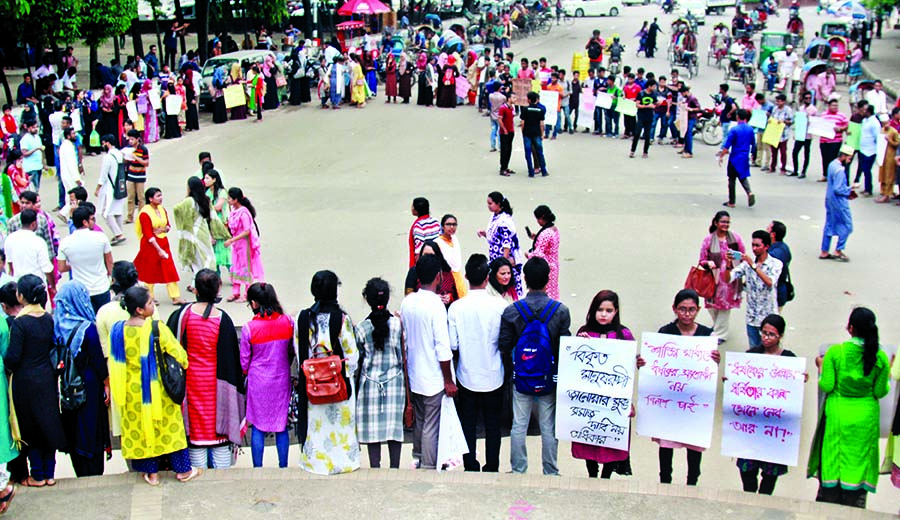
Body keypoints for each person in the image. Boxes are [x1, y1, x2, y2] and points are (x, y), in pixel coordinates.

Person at [109, 285, 197, 485]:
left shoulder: (117, 331)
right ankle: (183, 471)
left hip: (131, 393)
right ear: (139, 310)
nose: (152, 305)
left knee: (142, 430)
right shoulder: (156, 328)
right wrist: (182, 364)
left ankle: (152, 473)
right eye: (149, 303)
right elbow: (179, 355)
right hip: (158, 391)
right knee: (170, 429)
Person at [808, 307, 889, 508]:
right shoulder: (880, 357)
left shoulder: (836, 352)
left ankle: (831, 490)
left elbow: (827, 385)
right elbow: (880, 392)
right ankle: (855, 495)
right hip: (865, 417)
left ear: (850, 328)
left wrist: (820, 366)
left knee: (835, 455)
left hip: (837, 414)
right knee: (859, 458)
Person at [498, 257, 570, 475]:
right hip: (548, 377)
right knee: (548, 425)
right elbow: (563, 346)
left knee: (519, 424)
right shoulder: (560, 311)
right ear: (548, 280)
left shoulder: (512, 310)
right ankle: (550, 470)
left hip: (521, 377)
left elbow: (503, 344)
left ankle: (519, 468)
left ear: (525, 279)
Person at [296, 271, 359, 475]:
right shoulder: (342, 319)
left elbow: (299, 351)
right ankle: (343, 461)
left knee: (317, 426)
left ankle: (316, 462)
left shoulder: (303, 317)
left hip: (312, 384)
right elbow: (352, 356)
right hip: (338, 384)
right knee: (341, 425)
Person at [654, 288, 719, 484]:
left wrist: (716, 360)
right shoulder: (665, 333)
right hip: (670, 401)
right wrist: (644, 363)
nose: (687, 314)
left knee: (694, 444)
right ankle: (665, 480)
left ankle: (692, 482)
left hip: (695, 402)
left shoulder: (707, 335)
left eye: (691, 310)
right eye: (682, 309)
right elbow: (655, 365)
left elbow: (710, 370)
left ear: (698, 310)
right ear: (674, 309)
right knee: (666, 444)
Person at [573, 290, 640, 478]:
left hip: (614, 400)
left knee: (610, 439)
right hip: (589, 400)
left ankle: (606, 475)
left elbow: (629, 367)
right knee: (590, 438)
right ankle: (592, 475)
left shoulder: (624, 335)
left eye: (608, 310)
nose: (603, 314)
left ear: (616, 311)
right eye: (600, 309)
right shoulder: (584, 332)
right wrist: (579, 345)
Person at [449, 254, 507, 472]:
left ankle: (470, 464)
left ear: (466, 277)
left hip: (467, 374)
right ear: (487, 278)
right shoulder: (500, 305)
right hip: (494, 373)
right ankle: (492, 465)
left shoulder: (456, 308)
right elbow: (505, 341)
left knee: (468, 423)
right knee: (493, 424)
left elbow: (453, 344)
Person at [5, 275, 65, 486]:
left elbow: (13, 356)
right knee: (48, 424)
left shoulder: (20, 323)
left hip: (25, 381)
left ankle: (37, 475)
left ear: (21, 296)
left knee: (30, 428)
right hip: (46, 379)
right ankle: (49, 474)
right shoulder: (48, 318)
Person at [400, 255, 457, 470]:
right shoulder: (435, 305)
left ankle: (418, 457)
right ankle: (428, 465)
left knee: (421, 420)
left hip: (414, 374)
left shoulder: (408, 302)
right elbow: (443, 347)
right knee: (432, 424)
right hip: (433, 376)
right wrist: (449, 380)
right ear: (438, 277)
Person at [737, 314, 802, 494]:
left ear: (780, 336)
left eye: (771, 334)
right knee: (747, 472)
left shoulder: (790, 360)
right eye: (764, 333)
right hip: (752, 426)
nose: (766, 337)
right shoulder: (750, 356)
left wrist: (801, 379)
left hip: (773, 428)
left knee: (769, 475)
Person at [53, 281, 110, 477]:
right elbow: (98, 362)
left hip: (67, 386)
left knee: (74, 427)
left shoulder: (55, 327)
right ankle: (93, 469)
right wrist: (107, 384)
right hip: (89, 385)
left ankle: (80, 469)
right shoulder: (88, 329)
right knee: (91, 426)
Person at [239, 282, 293, 469]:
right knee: (281, 425)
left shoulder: (249, 328)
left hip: (258, 381)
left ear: (254, 303)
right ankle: (283, 466)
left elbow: (244, 361)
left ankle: (258, 467)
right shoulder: (287, 322)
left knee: (258, 427)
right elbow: (291, 351)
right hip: (281, 378)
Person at [355, 278, 405, 469]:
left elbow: (357, 359)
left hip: (370, 385)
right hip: (394, 383)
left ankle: (375, 468)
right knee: (394, 427)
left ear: (367, 299)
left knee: (372, 429)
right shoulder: (397, 325)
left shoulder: (361, 328)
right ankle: (395, 468)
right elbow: (402, 355)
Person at [728, 230, 782, 348]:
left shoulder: (776, 264)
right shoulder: (746, 264)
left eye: (757, 245)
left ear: (766, 247)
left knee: (770, 351)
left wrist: (753, 265)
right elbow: (729, 278)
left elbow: (769, 282)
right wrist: (727, 264)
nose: (754, 248)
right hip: (752, 318)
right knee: (754, 351)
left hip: (769, 318)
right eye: (753, 245)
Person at [698, 211, 744, 343]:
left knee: (724, 307)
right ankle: (718, 327)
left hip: (729, 280)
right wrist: (708, 263)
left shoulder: (735, 238)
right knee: (712, 307)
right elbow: (702, 259)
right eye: (723, 222)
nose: (725, 225)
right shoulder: (708, 240)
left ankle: (720, 334)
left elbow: (742, 255)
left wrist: (732, 260)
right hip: (713, 279)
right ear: (716, 223)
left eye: (728, 222)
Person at [57, 206, 113, 312]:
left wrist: (74, 264)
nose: (94, 222)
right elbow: (109, 261)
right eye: (92, 219)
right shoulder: (101, 238)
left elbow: (61, 267)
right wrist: (111, 277)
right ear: (85, 222)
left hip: (80, 291)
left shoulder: (65, 242)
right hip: (101, 287)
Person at [133, 187, 183, 304]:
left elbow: (168, 225)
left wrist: (164, 229)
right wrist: (158, 249)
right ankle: (149, 297)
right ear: (150, 199)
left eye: (161, 195)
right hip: (150, 246)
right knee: (150, 271)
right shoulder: (145, 214)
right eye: (158, 196)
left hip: (163, 243)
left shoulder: (162, 209)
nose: (161, 198)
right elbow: (148, 235)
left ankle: (175, 296)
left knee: (169, 269)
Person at [478, 191, 524, 296]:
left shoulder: (504, 221)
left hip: (503, 260)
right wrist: (485, 234)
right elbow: (497, 237)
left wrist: (504, 262)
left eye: (490, 203)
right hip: (496, 259)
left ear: (498, 204)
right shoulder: (495, 217)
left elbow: (506, 243)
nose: (488, 206)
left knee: (507, 288)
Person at [173, 177, 218, 277]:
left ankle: (198, 283)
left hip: (193, 233)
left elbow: (177, 209)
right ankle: (209, 280)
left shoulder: (188, 201)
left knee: (197, 261)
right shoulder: (206, 199)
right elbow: (213, 218)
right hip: (204, 231)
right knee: (207, 257)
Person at [225, 188, 264, 302]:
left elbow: (247, 231)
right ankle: (235, 292)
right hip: (236, 245)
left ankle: (247, 294)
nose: (228, 200)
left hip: (244, 245)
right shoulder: (233, 210)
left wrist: (232, 240)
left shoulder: (244, 213)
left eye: (230, 198)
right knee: (235, 266)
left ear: (236, 200)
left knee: (245, 267)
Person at [820, 145, 855, 262]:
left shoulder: (832, 165)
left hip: (829, 199)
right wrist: (850, 189)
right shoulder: (840, 170)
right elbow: (838, 189)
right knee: (847, 225)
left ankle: (824, 251)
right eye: (849, 159)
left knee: (829, 224)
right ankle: (838, 250)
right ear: (844, 156)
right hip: (839, 201)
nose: (849, 161)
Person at [717, 109, 757, 208]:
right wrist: (753, 154)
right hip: (744, 157)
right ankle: (749, 192)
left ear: (737, 117)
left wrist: (721, 155)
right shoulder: (750, 129)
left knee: (731, 179)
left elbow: (727, 145)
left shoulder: (734, 129)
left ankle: (732, 201)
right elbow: (753, 144)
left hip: (735, 157)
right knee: (742, 176)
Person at [5, 209, 53, 285]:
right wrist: (53, 286)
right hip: (37, 285)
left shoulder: (9, 239)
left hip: (18, 283)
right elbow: (47, 268)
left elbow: (10, 266)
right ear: (33, 224)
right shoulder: (39, 241)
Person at [94, 134, 126, 245]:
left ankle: (118, 234)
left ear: (107, 143)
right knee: (117, 211)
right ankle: (119, 231)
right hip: (120, 186)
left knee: (105, 212)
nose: (103, 145)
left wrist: (97, 188)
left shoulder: (108, 157)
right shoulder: (120, 154)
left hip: (110, 188)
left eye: (103, 143)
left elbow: (103, 175)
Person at [525, 205, 559, 300]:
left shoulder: (545, 234)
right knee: (553, 290)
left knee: (546, 291)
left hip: (546, 267)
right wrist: (536, 237)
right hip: (554, 265)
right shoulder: (554, 229)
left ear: (542, 217)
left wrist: (528, 255)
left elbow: (538, 254)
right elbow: (549, 245)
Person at [203, 169, 231, 275]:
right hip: (211, 223)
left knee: (225, 253)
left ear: (214, 179)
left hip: (221, 224)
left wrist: (207, 208)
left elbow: (219, 207)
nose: (205, 180)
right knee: (214, 253)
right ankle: (216, 276)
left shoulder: (222, 192)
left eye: (207, 178)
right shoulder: (207, 192)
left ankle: (235, 276)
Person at [817, 98, 849, 183]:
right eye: (833, 105)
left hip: (836, 140)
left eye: (836, 105)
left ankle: (833, 175)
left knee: (833, 158)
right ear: (829, 106)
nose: (835, 107)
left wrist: (840, 128)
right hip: (824, 140)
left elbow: (847, 125)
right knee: (825, 158)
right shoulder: (823, 115)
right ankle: (825, 175)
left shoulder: (841, 115)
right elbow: (819, 125)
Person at [435, 214, 467, 299]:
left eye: (454, 224)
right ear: (442, 226)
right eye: (448, 224)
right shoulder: (437, 242)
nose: (452, 227)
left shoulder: (455, 239)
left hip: (458, 276)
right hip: (446, 278)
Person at [520, 91, 548, 177]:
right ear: (536, 99)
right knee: (540, 152)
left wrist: (523, 132)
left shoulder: (525, 109)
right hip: (537, 133)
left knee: (528, 153)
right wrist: (542, 134)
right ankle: (543, 170)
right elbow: (542, 124)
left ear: (528, 100)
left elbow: (522, 123)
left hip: (527, 133)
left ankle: (530, 172)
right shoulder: (541, 110)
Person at [123, 129, 149, 223]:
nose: (130, 141)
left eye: (132, 139)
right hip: (131, 175)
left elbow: (146, 163)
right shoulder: (128, 149)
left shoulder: (143, 149)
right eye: (129, 139)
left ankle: (141, 216)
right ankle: (130, 216)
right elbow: (126, 161)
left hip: (140, 176)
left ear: (137, 139)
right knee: (130, 197)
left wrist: (136, 158)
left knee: (141, 198)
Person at [854, 105, 879, 196]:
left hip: (870, 150)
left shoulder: (874, 123)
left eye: (865, 110)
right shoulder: (864, 121)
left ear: (868, 112)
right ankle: (866, 188)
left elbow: (877, 137)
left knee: (867, 169)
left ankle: (869, 189)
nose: (863, 112)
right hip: (862, 149)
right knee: (864, 169)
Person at [790, 91, 816, 178]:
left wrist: (809, 119)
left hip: (808, 134)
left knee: (806, 153)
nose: (808, 100)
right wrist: (796, 133)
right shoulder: (801, 108)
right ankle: (795, 169)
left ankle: (804, 171)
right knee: (795, 152)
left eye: (809, 98)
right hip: (800, 134)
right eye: (806, 98)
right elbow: (798, 122)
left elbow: (815, 122)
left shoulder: (813, 110)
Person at [408, 197, 440, 268]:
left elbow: (419, 248)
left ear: (416, 211)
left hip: (424, 263)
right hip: (438, 260)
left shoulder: (418, 225)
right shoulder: (435, 222)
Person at [876, 109, 900, 203]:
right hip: (882, 155)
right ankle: (883, 192)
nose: (885, 125)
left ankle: (887, 194)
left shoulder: (893, 131)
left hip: (891, 156)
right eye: (883, 124)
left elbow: (897, 143)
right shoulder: (881, 130)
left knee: (889, 175)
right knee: (882, 175)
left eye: (886, 123)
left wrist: (889, 141)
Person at [767, 221, 792, 312]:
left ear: (773, 234)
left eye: (768, 229)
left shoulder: (775, 254)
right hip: (780, 291)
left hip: (775, 293)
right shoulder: (784, 247)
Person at [630, 80, 658, 159]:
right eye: (653, 86)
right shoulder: (641, 94)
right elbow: (637, 105)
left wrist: (657, 104)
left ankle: (645, 152)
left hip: (650, 117)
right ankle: (632, 150)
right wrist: (647, 106)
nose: (654, 88)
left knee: (647, 135)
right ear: (649, 86)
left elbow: (655, 103)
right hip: (641, 116)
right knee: (637, 133)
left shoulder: (654, 94)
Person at [497, 91, 516, 176]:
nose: (515, 99)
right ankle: (502, 168)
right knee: (504, 150)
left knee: (509, 150)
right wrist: (504, 129)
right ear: (509, 99)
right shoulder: (503, 108)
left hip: (511, 131)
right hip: (504, 132)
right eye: (513, 97)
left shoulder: (511, 107)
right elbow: (500, 119)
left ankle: (506, 166)